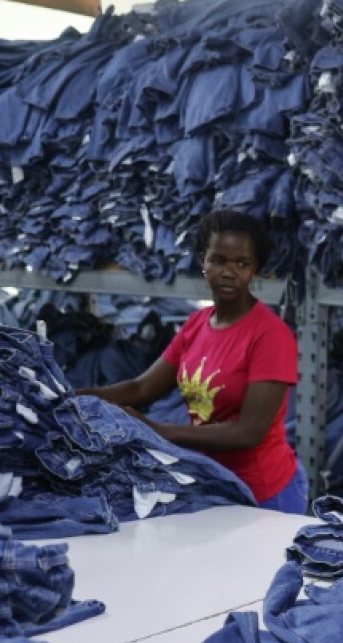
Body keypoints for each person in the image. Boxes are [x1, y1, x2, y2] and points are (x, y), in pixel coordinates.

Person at [78, 210, 306, 514]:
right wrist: (69, 397)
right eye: (218, 260)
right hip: (213, 481)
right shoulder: (196, 324)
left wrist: (154, 429)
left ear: (256, 269)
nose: (229, 272)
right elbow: (142, 388)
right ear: (202, 261)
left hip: (264, 492)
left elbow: (248, 432)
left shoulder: (271, 336)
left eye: (242, 264)